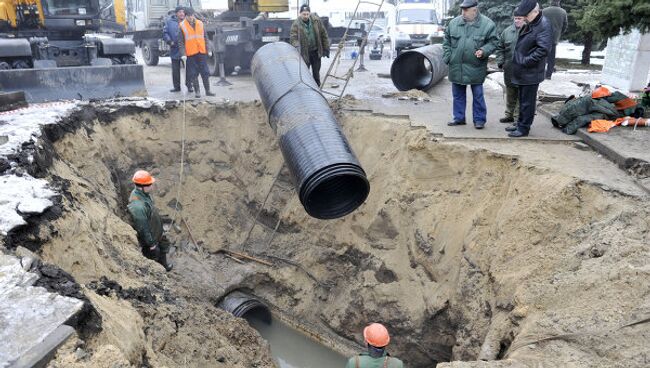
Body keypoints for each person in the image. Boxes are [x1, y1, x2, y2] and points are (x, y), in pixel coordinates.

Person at [442, 0, 498, 130]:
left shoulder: (487, 24)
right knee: (458, 95)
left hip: (476, 66)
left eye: (466, 10)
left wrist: (484, 51)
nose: (463, 13)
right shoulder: (454, 23)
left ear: (475, 10)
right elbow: (446, 42)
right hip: (457, 66)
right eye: (462, 10)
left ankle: (479, 120)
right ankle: (459, 118)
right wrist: (448, 57)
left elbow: (494, 42)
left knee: (478, 95)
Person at [508, 0, 553, 138]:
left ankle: (524, 128)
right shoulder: (533, 22)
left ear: (535, 11)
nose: (525, 18)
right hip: (524, 70)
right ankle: (520, 124)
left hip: (531, 71)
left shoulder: (544, 25)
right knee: (522, 99)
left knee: (527, 102)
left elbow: (543, 49)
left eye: (526, 15)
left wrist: (525, 61)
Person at [127, 170, 173, 272]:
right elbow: (143, 228)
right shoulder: (138, 206)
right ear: (142, 186)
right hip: (150, 237)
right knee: (153, 255)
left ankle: (164, 265)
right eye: (150, 185)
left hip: (155, 231)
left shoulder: (143, 194)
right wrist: (151, 244)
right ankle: (158, 271)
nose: (152, 187)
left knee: (163, 245)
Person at [495, 15, 526, 125]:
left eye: (520, 18)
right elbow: (500, 48)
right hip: (509, 67)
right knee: (510, 91)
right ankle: (509, 115)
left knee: (521, 93)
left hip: (524, 68)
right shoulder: (507, 32)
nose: (517, 20)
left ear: (525, 18)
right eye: (516, 18)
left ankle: (518, 117)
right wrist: (501, 62)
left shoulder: (529, 31)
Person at [290, 4, 330, 87]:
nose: (306, 16)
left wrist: (326, 48)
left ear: (309, 13)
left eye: (307, 14)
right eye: (304, 14)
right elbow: (293, 37)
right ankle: (307, 92)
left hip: (315, 52)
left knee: (316, 74)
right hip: (305, 54)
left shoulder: (316, 21)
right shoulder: (296, 24)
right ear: (300, 14)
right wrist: (297, 46)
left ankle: (317, 91)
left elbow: (323, 34)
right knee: (305, 74)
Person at [179, 8, 215, 98]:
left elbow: (205, 37)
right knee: (193, 73)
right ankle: (197, 92)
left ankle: (208, 90)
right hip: (190, 54)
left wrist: (209, 49)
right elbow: (181, 42)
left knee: (205, 72)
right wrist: (183, 54)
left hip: (201, 52)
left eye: (192, 15)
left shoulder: (200, 23)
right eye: (189, 16)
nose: (191, 17)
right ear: (185, 16)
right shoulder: (182, 26)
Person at [163, 6, 187, 93]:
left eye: (183, 12)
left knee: (188, 69)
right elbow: (165, 33)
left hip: (185, 49)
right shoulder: (169, 22)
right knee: (175, 70)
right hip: (175, 49)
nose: (182, 13)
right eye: (180, 12)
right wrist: (169, 41)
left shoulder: (187, 21)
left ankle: (189, 85)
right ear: (176, 13)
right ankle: (177, 87)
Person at [542, 0, 568, 80]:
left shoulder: (544, 11)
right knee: (551, 57)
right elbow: (565, 25)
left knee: (542, 56)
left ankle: (541, 73)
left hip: (544, 37)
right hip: (554, 38)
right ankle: (548, 75)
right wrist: (559, 33)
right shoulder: (563, 12)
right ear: (558, 2)